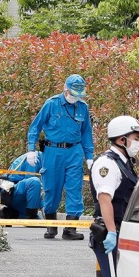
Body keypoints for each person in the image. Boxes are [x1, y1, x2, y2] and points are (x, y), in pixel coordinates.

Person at [26, 74, 94, 240]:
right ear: (66, 90)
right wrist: (31, 149)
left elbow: (86, 134)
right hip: (53, 151)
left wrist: (90, 156)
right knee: (51, 188)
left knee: (74, 188)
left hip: (74, 151)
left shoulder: (83, 107)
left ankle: (70, 229)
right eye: (73, 94)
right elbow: (35, 127)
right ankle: (51, 225)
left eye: (79, 95)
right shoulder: (51, 104)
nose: (76, 98)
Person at [90, 116, 139, 277]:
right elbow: (105, 199)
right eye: (135, 138)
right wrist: (112, 232)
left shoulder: (125, 163)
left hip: (123, 231)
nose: (137, 143)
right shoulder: (107, 163)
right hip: (108, 232)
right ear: (122, 139)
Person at [0, 152, 43, 220]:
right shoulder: (33, 159)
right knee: (34, 182)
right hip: (10, 193)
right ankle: (32, 217)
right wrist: (44, 207)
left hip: (16, 193)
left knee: (36, 221)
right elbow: (34, 188)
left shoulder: (41, 159)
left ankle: (9, 214)